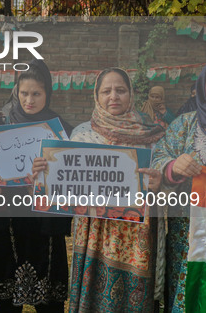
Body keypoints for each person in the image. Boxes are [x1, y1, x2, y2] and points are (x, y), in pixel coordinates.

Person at [33, 67, 164, 312]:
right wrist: (43, 174)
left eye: (120, 90)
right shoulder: (82, 134)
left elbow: (163, 181)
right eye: (106, 91)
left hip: (135, 236)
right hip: (94, 232)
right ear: (97, 96)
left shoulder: (151, 135)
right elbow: (62, 189)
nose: (113, 96)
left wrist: (159, 183)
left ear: (131, 94)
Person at [0, 59, 73, 313]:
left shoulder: (61, 130)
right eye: (24, 93)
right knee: (8, 300)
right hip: (10, 221)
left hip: (45, 225)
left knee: (49, 302)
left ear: (47, 93)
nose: (29, 100)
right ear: (16, 91)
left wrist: (47, 177)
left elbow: (71, 179)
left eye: (36, 93)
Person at [151, 55, 206, 312]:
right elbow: (156, 161)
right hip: (190, 241)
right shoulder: (184, 125)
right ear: (203, 86)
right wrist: (173, 168)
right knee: (190, 301)